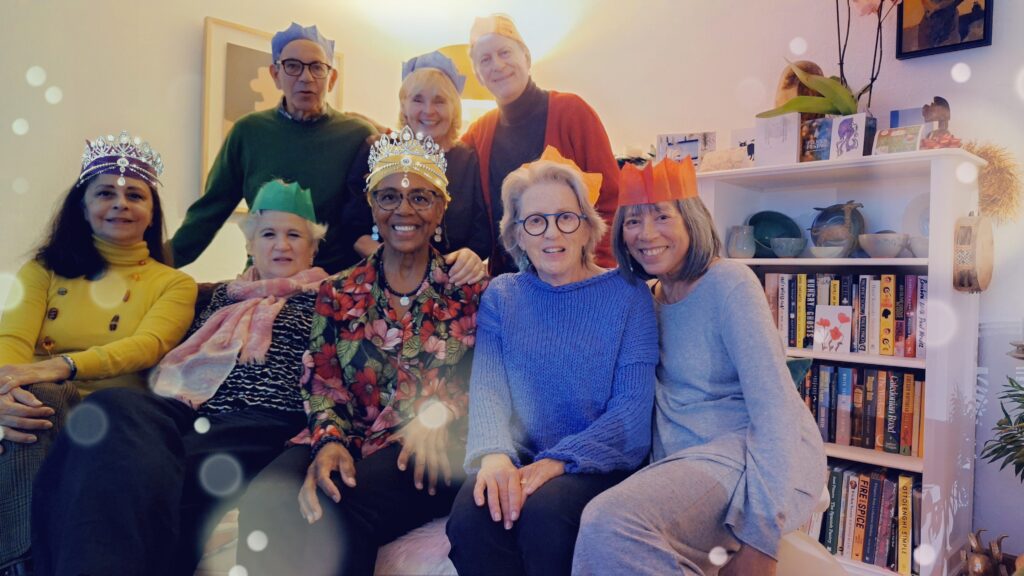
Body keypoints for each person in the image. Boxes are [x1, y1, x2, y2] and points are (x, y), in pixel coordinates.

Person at [30, 180, 330, 576]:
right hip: (186, 410)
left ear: (313, 247)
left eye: (295, 235)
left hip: (267, 419)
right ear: (249, 244)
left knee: (153, 479)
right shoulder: (217, 296)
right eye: (269, 234)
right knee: (112, 410)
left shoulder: (332, 297)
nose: (282, 245)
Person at [236, 127, 487, 576]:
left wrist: (436, 414)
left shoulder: (469, 289)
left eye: (421, 198)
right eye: (389, 197)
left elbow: (485, 379)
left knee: (343, 500)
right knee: (264, 499)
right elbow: (324, 380)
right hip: (354, 432)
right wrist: (329, 441)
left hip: (436, 442)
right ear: (372, 205)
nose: (403, 210)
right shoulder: (338, 290)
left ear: (441, 207)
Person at [573, 157, 827, 576]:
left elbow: (775, 408)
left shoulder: (730, 284)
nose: (646, 233)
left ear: (691, 219)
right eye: (633, 220)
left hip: (751, 458)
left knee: (610, 520)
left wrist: (760, 537)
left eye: (661, 215)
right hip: (686, 467)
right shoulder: (644, 300)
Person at [445, 147, 658, 576]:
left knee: (545, 518)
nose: (551, 234)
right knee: (471, 517)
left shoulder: (629, 295)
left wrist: (560, 461)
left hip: (599, 464)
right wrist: (493, 456)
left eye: (565, 218)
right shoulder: (503, 296)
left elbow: (631, 418)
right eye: (535, 221)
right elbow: (488, 390)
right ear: (517, 235)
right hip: (521, 456)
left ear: (587, 228)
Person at [0, 130, 197, 575]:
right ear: (82, 206)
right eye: (105, 192)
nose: (120, 203)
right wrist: (4, 392)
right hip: (34, 395)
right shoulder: (42, 271)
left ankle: (21, 563)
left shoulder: (173, 283)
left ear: (151, 212)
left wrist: (62, 364)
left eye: (135, 195)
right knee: (30, 403)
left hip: (113, 413)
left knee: (42, 398)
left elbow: (147, 346)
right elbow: (10, 339)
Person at [169, 22, 376, 274]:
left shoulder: (357, 136)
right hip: (264, 280)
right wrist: (152, 265)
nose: (305, 77)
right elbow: (209, 211)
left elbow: (379, 213)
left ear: (331, 78)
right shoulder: (248, 132)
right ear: (275, 75)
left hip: (335, 287)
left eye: (317, 67)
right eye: (292, 66)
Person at [463, 13, 621, 274]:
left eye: (505, 52)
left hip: (575, 279)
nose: (498, 65)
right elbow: (442, 159)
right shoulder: (478, 133)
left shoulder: (572, 112)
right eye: (485, 59)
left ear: (526, 57)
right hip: (512, 290)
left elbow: (612, 202)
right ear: (479, 76)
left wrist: (599, 273)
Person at [346, 50, 491, 263]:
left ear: (454, 108)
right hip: (380, 272)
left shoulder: (467, 159)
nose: (428, 110)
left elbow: (480, 236)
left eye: (440, 101)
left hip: (448, 279)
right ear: (404, 106)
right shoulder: (376, 150)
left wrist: (444, 269)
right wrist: (399, 266)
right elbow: (352, 228)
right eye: (417, 99)